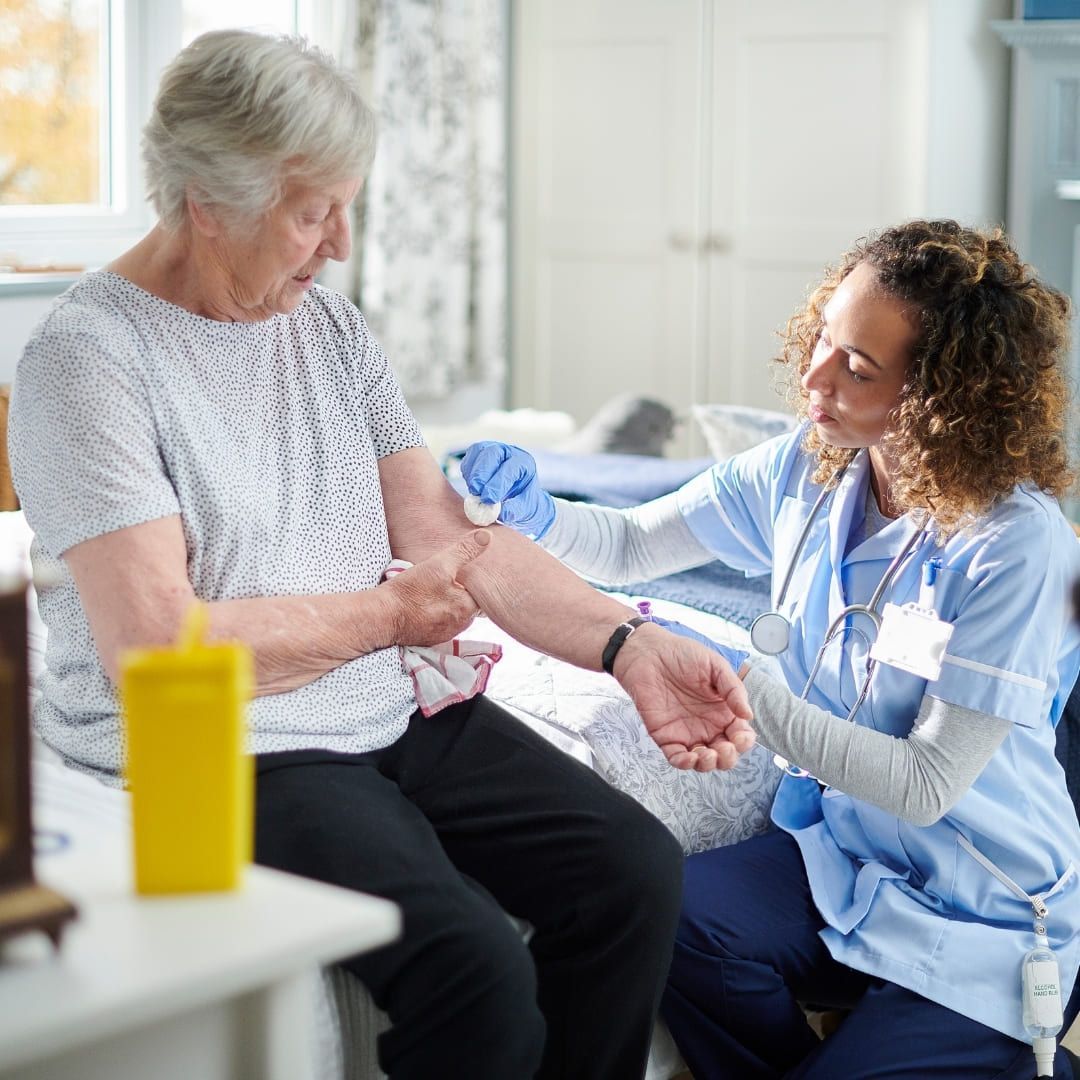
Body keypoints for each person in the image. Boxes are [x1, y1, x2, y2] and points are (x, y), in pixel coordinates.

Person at [7, 30, 758, 1080]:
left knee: (631, 871)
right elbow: (154, 648)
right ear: (206, 200)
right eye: (313, 213)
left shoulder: (329, 329)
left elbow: (447, 539)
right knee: (477, 973)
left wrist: (628, 643)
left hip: (383, 705)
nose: (341, 245)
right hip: (226, 739)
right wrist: (395, 620)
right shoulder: (89, 364)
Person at [461, 219, 1080, 1078]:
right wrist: (536, 514)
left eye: (858, 368)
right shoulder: (811, 466)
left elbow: (927, 786)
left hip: (981, 915)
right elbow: (634, 544)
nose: (813, 378)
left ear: (944, 394)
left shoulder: (1014, 545)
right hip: (844, 864)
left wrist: (746, 688)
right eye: (824, 338)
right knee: (667, 920)